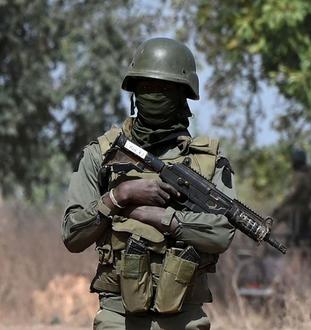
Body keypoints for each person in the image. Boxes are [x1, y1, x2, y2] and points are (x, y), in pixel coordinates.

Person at [62, 38, 236, 330]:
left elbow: (220, 234)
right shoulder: (101, 154)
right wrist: (120, 196)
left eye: (165, 89)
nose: (155, 95)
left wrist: (162, 217)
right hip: (118, 317)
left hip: (185, 318)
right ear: (134, 92)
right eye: (146, 87)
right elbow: (72, 235)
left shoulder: (207, 161)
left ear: (184, 95)